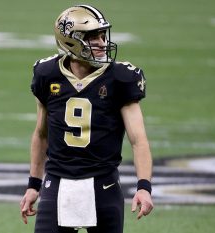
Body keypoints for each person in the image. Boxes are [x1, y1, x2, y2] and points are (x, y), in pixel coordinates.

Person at [20, 4, 154, 233]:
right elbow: (41, 134)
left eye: (103, 36)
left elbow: (138, 139)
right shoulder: (47, 74)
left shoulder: (121, 78)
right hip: (57, 182)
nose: (102, 43)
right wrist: (34, 184)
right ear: (71, 41)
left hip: (103, 183)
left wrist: (144, 187)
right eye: (93, 38)